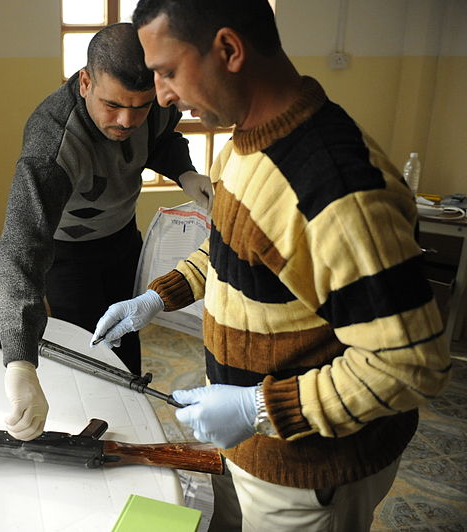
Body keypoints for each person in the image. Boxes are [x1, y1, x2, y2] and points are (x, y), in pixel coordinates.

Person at [91, 1, 451, 530]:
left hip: (312, 472)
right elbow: (234, 253)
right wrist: (158, 296)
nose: (163, 95)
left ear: (230, 50)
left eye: (167, 72)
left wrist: (257, 409)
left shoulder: (332, 189)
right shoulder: (240, 146)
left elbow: (409, 366)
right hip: (260, 448)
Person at [0, 22, 212, 441]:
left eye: (140, 107)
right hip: (68, 256)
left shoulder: (154, 100)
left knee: (126, 344)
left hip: (122, 238)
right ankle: (98, 435)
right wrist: (19, 361)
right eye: (112, 105)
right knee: (89, 355)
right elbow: (21, 247)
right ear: (85, 81)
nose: (127, 121)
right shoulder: (52, 140)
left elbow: (163, 137)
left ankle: (132, 425)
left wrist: (185, 172)